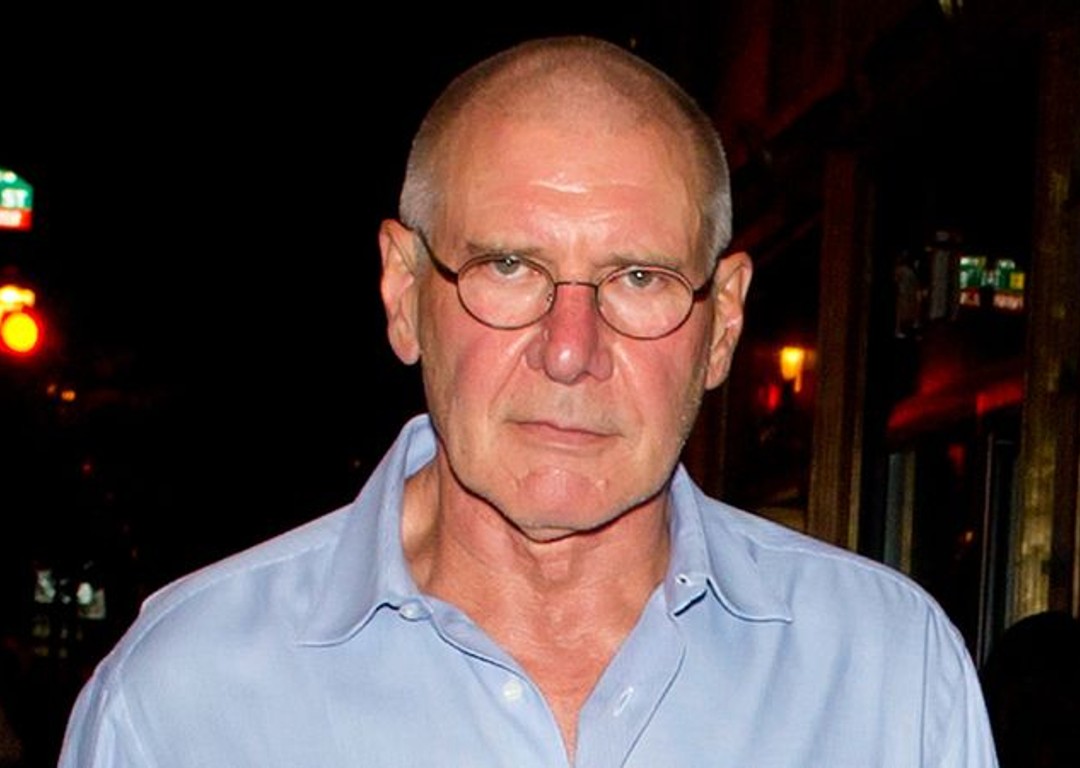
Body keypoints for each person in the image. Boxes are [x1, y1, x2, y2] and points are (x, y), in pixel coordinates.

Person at [59, 35, 998, 766]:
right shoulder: (183, 702)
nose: (570, 350)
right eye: (509, 266)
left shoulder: (891, 679)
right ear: (402, 293)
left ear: (722, 324)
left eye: (638, 277)